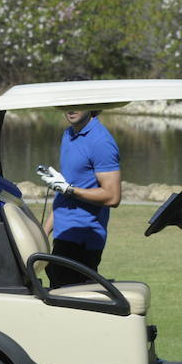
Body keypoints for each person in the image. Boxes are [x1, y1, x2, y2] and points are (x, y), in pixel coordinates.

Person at [38, 80, 122, 288]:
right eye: (67, 101)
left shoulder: (101, 141)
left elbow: (112, 196)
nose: (71, 107)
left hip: (84, 236)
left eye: (78, 101)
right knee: (56, 287)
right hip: (65, 233)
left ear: (92, 104)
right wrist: (43, 231)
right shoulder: (69, 135)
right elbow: (64, 192)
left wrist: (69, 189)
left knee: (70, 301)